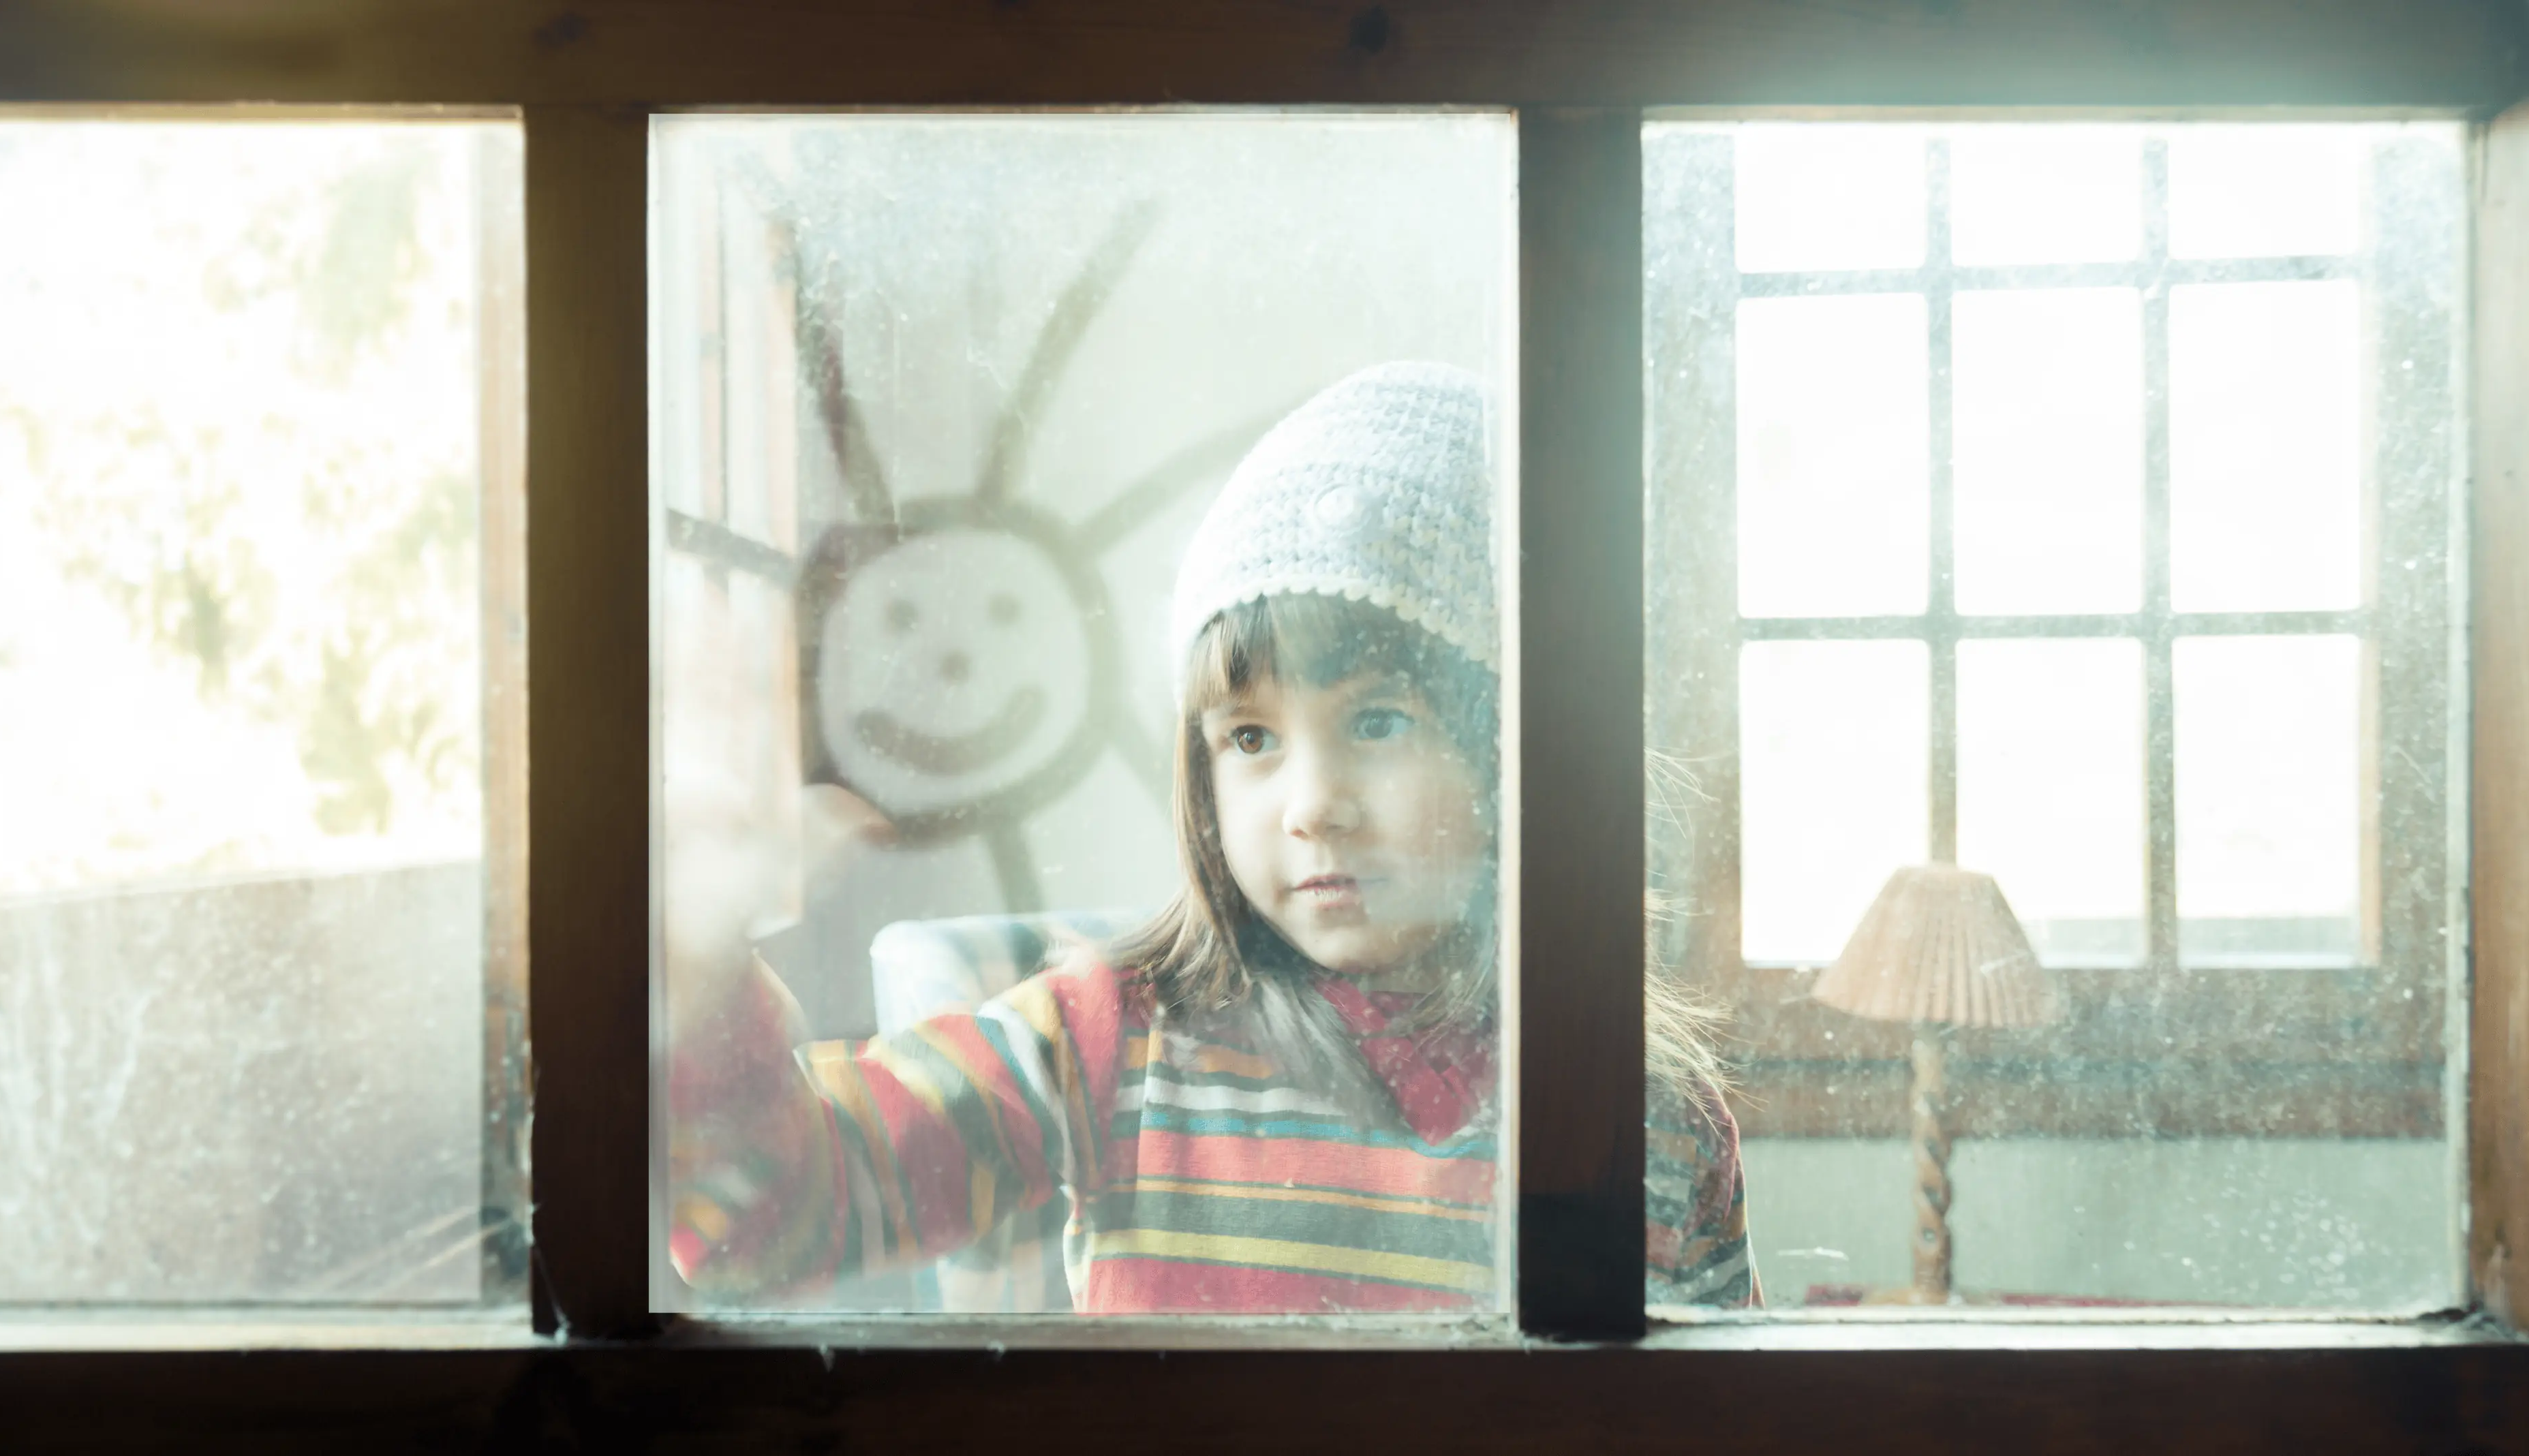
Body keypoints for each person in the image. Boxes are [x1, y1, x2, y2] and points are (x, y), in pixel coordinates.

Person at [666, 360, 1756, 1312]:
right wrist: (700, 975)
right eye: (1249, 736)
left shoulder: (1652, 1113)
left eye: (1379, 720)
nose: (1310, 803)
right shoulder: (1106, 1038)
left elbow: (1723, 1424)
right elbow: (773, 1225)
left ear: (1522, 754)